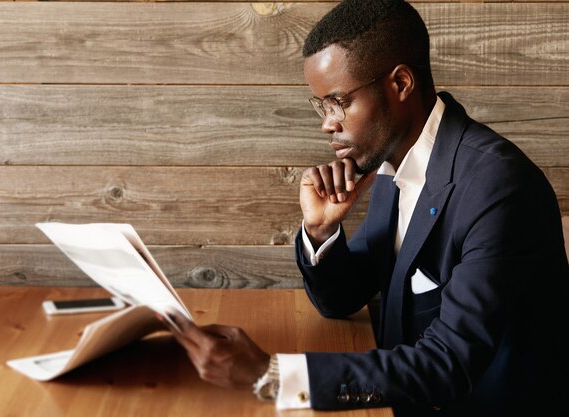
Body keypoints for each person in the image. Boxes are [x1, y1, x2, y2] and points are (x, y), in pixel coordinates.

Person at [162, 0, 569, 415]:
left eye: (339, 101)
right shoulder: (395, 165)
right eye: (321, 105)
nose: (327, 123)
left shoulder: (498, 189)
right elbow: (342, 298)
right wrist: (320, 233)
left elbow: (448, 364)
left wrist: (274, 374)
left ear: (401, 84)